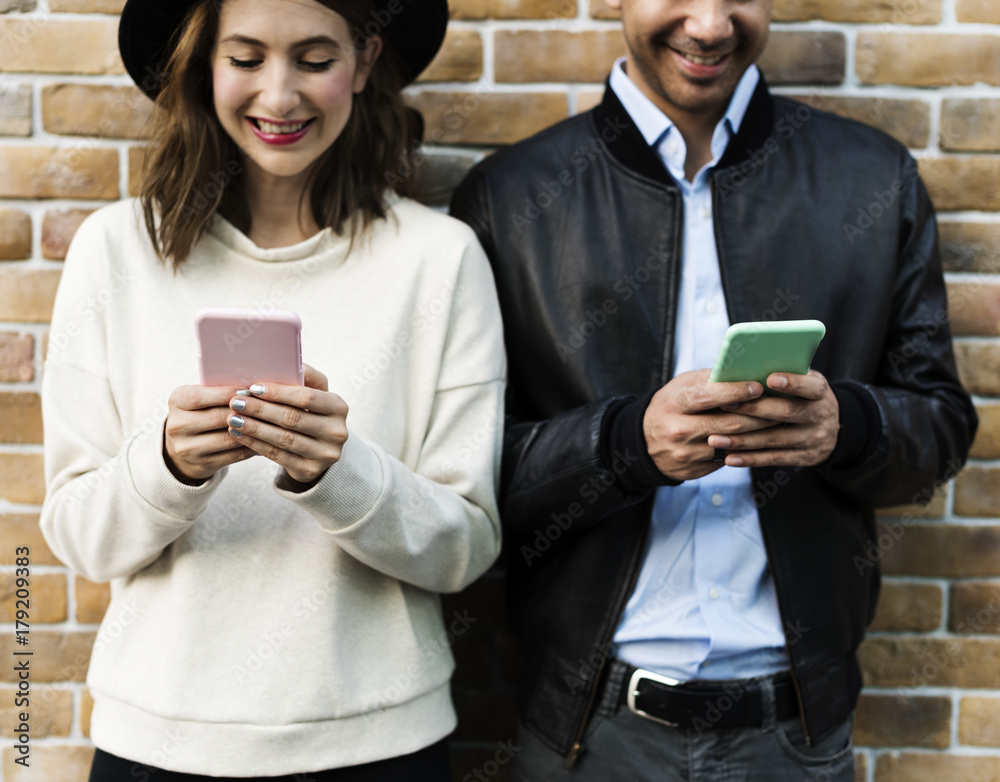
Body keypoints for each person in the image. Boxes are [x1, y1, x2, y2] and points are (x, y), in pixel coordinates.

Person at [449, 0, 978, 779]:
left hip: (795, 732)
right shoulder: (509, 195)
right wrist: (626, 446)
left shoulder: (874, 176)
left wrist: (850, 427)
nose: (709, 25)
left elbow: (940, 426)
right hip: (587, 732)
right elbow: (463, 474)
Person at [39, 0, 505, 779]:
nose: (279, 97)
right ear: (203, 67)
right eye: (246, 59)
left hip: (377, 745)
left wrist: (337, 472)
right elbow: (78, 537)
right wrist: (167, 464)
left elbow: (465, 549)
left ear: (363, 62)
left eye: (315, 61)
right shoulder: (115, 252)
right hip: (160, 743)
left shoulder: (440, 260)